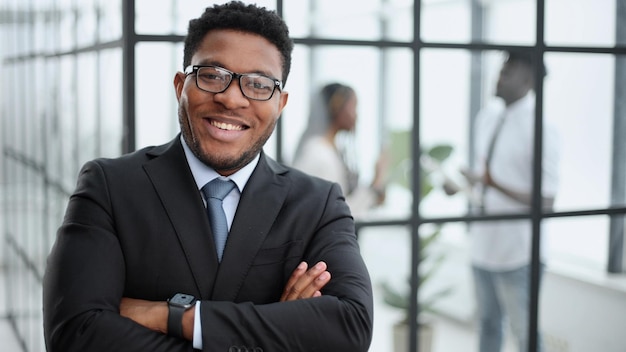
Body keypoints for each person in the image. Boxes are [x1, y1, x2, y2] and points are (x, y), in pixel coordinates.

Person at [42, 2, 373, 351]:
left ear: (281, 103)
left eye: (259, 84)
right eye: (212, 75)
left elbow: (350, 328)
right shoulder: (109, 186)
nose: (231, 99)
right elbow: (75, 335)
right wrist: (278, 330)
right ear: (180, 86)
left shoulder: (318, 203)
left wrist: (174, 316)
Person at [443, 50, 560, 352]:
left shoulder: (542, 128)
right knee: (487, 328)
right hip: (483, 248)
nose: (498, 77)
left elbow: (546, 201)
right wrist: (462, 186)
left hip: (519, 253)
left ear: (527, 79)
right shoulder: (488, 118)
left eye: (507, 72)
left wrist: (493, 183)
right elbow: (485, 181)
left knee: (525, 335)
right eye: (500, 70)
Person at [293, 83, 388, 218]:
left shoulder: (330, 150)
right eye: (353, 107)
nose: (356, 116)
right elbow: (335, 214)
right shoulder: (318, 155)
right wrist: (376, 184)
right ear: (337, 107)